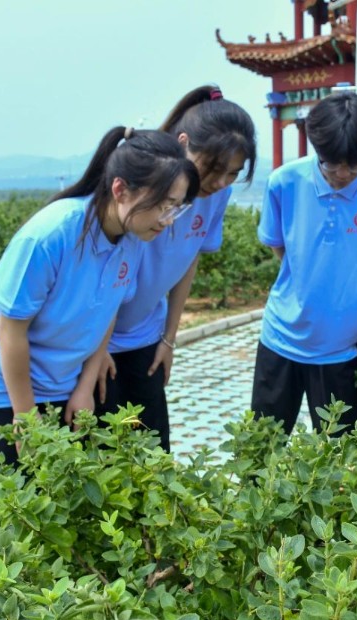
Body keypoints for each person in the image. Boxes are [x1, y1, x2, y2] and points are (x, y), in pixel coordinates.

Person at [0, 128, 199, 475]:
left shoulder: (132, 238)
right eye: (162, 205)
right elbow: (9, 329)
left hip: (59, 378)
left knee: (61, 503)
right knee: (10, 509)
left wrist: (84, 387)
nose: (167, 220)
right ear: (120, 189)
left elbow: (108, 311)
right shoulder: (52, 234)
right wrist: (25, 419)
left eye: (176, 207)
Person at [96, 85, 256, 452]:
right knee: (103, 453)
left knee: (151, 452)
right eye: (214, 169)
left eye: (233, 174)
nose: (220, 183)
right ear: (183, 143)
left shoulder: (216, 196)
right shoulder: (146, 186)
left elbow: (189, 259)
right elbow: (107, 269)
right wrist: (96, 346)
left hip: (145, 337)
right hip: (98, 338)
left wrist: (169, 338)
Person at [252, 91, 357, 435]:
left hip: (344, 348)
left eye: (354, 165)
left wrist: (351, 287)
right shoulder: (284, 182)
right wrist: (308, 279)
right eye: (330, 162)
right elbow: (279, 245)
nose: (341, 173)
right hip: (281, 338)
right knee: (261, 452)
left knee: (341, 461)